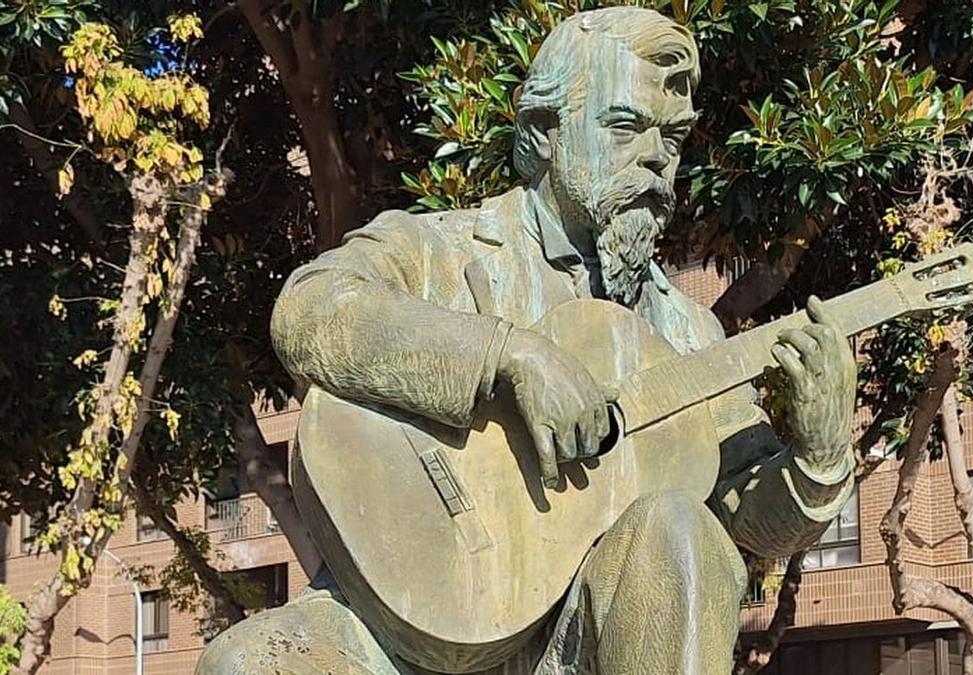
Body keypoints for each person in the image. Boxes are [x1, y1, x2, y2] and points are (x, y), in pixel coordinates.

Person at [197, 7, 856, 674]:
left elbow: (755, 519)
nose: (657, 157)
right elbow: (311, 310)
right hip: (399, 629)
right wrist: (506, 353)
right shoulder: (440, 250)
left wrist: (822, 453)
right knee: (247, 662)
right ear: (545, 131)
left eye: (674, 138)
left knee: (682, 529)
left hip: (581, 638)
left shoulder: (689, 333)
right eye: (626, 127)